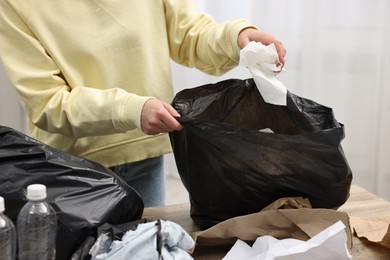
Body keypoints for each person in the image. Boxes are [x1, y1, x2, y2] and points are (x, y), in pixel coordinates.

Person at [0, 0, 286, 207]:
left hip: (143, 157)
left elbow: (188, 34)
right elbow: (48, 103)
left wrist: (234, 38)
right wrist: (131, 110)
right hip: (72, 168)